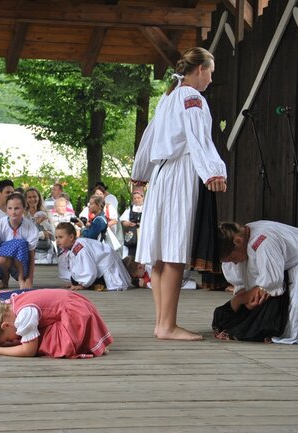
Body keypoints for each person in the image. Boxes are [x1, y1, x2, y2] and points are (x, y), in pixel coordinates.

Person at [131, 47, 227, 341]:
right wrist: (213, 170)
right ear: (199, 70)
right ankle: (168, 325)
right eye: (210, 72)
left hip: (161, 175)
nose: (211, 79)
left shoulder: (169, 98)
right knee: (172, 249)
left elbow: (149, 137)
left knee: (160, 253)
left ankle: (163, 323)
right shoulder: (191, 98)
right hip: (180, 173)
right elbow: (198, 136)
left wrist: (141, 174)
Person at [212, 221, 298, 344]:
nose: (234, 263)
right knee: (223, 318)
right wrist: (242, 300)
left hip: (297, 276)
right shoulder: (243, 241)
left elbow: (270, 285)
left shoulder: (263, 242)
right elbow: (247, 288)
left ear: (238, 241)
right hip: (273, 285)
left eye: (233, 258)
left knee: (255, 327)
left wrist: (242, 300)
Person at [0, 289, 113, 358]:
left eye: (8, 339)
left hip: (75, 314)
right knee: (34, 337)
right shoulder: (12, 304)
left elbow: (29, 350)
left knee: (46, 341)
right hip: (72, 305)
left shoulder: (24, 315)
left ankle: (86, 343)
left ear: (5, 325)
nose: (15, 339)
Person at [0, 192, 38, 290]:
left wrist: (29, 278)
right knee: (2, 259)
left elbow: (31, 254)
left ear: (23, 208)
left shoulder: (30, 227)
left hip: (21, 262)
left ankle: (21, 278)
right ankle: (5, 277)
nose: (13, 212)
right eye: (10, 208)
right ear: (6, 209)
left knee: (21, 243)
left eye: (17, 208)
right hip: (3, 260)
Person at [55, 222, 130, 291]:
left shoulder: (80, 248)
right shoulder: (73, 247)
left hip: (108, 264)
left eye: (60, 237)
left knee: (112, 286)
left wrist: (83, 284)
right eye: (56, 237)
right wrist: (76, 282)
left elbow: (88, 268)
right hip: (102, 264)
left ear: (71, 237)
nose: (57, 240)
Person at [25, 187, 55, 264]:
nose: (32, 199)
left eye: (35, 196)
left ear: (39, 198)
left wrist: (45, 223)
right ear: (25, 199)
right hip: (30, 254)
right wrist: (42, 234)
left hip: (46, 254)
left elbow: (54, 236)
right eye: (29, 197)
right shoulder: (23, 216)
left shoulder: (46, 213)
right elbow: (24, 237)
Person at [120, 190, 144, 256]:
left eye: (138, 198)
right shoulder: (129, 209)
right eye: (135, 198)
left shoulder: (146, 208)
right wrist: (128, 223)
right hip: (132, 233)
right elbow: (123, 222)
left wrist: (142, 224)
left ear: (142, 198)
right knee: (131, 252)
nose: (137, 200)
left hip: (143, 233)